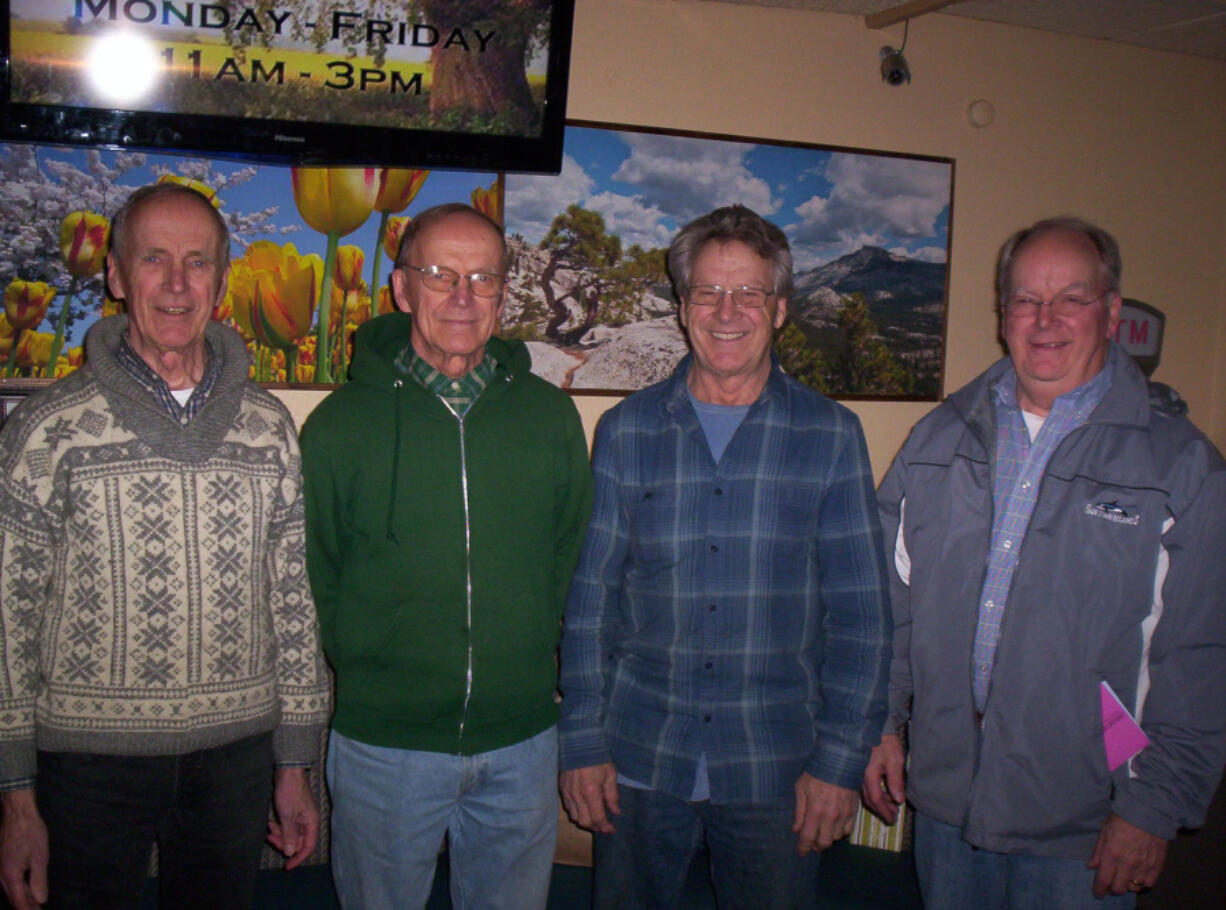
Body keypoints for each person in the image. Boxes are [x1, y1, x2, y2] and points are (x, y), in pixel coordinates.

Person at [862, 216, 1226, 908]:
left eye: (1071, 298)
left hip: (1087, 824)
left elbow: (1201, 656)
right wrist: (880, 724)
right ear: (1003, 315)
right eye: (1026, 299)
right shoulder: (939, 441)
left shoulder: (1179, 466)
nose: (1045, 319)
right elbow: (890, 605)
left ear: (1112, 312)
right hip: (947, 803)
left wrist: (1152, 806)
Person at [0, 182, 331, 910]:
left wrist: (296, 761)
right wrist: (15, 795)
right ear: (117, 276)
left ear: (221, 279)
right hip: (86, 769)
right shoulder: (46, 431)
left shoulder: (269, 426)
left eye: (197, 262)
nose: (177, 284)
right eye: (154, 259)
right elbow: (6, 623)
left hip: (238, 761)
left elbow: (294, 604)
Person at [558, 205, 892, 908]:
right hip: (641, 758)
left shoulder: (830, 435)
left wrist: (839, 764)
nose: (727, 311)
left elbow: (862, 620)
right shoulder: (627, 430)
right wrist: (583, 741)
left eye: (749, 294)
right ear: (683, 308)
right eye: (708, 292)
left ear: (778, 309)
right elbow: (592, 603)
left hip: (777, 767)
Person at [301, 202, 593, 910]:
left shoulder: (549, 416)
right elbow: (318, 571)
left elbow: (571, 554)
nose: (462, 297)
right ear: (402, 289)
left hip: (522, 739)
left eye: (483, 278)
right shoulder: (339, 425)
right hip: (385, 744)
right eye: (440, 274)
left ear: (502, 292)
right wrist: (372, 655)